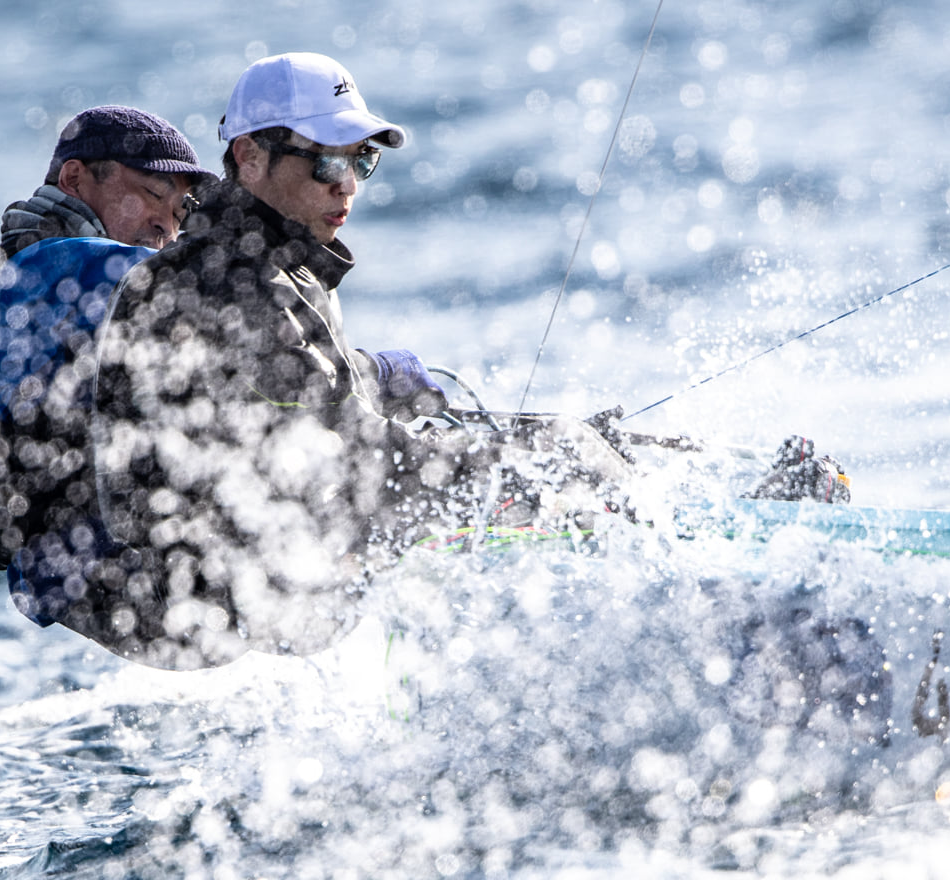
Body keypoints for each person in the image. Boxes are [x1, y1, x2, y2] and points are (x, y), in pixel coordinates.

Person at [89, 52, 632, 668]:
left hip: (251, 560)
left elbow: (294, 397)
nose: (346, 183)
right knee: (532, 482)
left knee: (518, 469)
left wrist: (377, 375)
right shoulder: (231, 283)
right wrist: (542, 452)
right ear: (250, 156)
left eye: (361, 161)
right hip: (209, 603)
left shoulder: (264, 260)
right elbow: (358, 457)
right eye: (326, 161)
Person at [0, 105, 211, 627]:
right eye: (153, 193)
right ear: (75, 179)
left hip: (76, 578)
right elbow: (203, 279)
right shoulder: (51, 262)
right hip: (122, 572)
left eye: (179, 214)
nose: (165, 226)